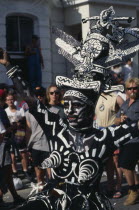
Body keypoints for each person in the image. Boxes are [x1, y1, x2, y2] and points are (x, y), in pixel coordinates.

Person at [1, 6, 139, 210]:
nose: (71, 110)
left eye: (78, 106)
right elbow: (31, 100)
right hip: (53, 201)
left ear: (91, 108)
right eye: (68, 105)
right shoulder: (57, 129)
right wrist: (9, 66)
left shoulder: (104, 137)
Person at [95, 92, 124, 198]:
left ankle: (119, 187)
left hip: (113, 132)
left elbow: (125, 107)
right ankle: (110, 187)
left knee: (116, 161)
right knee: (107, 162)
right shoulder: (96, 95)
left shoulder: (115, 96)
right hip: (101, 133)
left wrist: (120, 118)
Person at [115, 77, 139, 205]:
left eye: (135, 88)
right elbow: (116, 119)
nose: (132, 90)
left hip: (135, 140)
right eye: (129, 88)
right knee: (126, 165)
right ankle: (135, 187)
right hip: (124, 139)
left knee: (126, 165)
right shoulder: (125, 103)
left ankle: (133, 191)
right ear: (126, 90)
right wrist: (120, 119)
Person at [5, 93, 31, 180]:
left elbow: (25, 121)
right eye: (8, 100)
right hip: (10, 135)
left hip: (20, 134)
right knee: (12, 155)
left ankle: (25, 170)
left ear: (14, 100)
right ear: (6, 101)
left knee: (23, 154)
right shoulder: (5, 111)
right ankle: (15, 172)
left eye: (11, 99)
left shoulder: (20, 110)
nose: (10, 101)